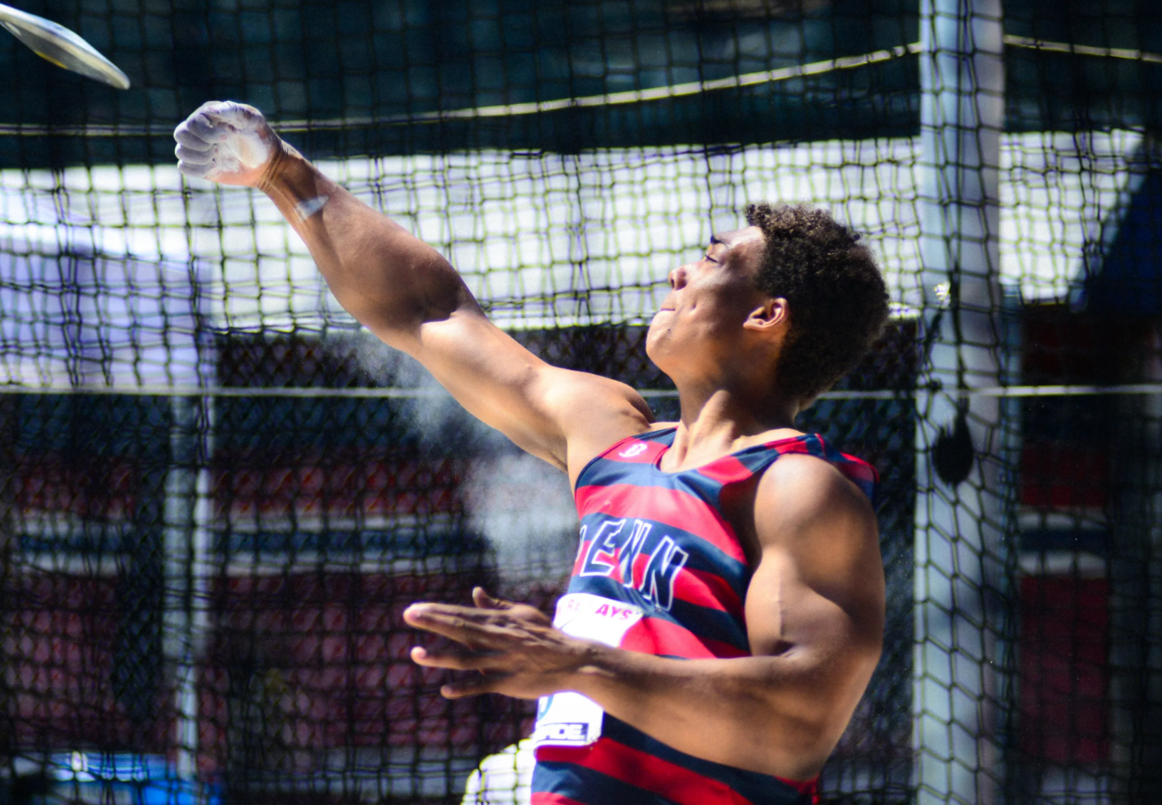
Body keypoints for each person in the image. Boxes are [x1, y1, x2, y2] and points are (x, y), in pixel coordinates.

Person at [175, 101, 890, 805]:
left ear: (767, 315)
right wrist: (281, 173)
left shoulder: (796, 486)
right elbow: (429, 311)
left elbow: (798, 725)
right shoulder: (614, 437)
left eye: (710, 259)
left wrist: (574, 662)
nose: (679, 273)